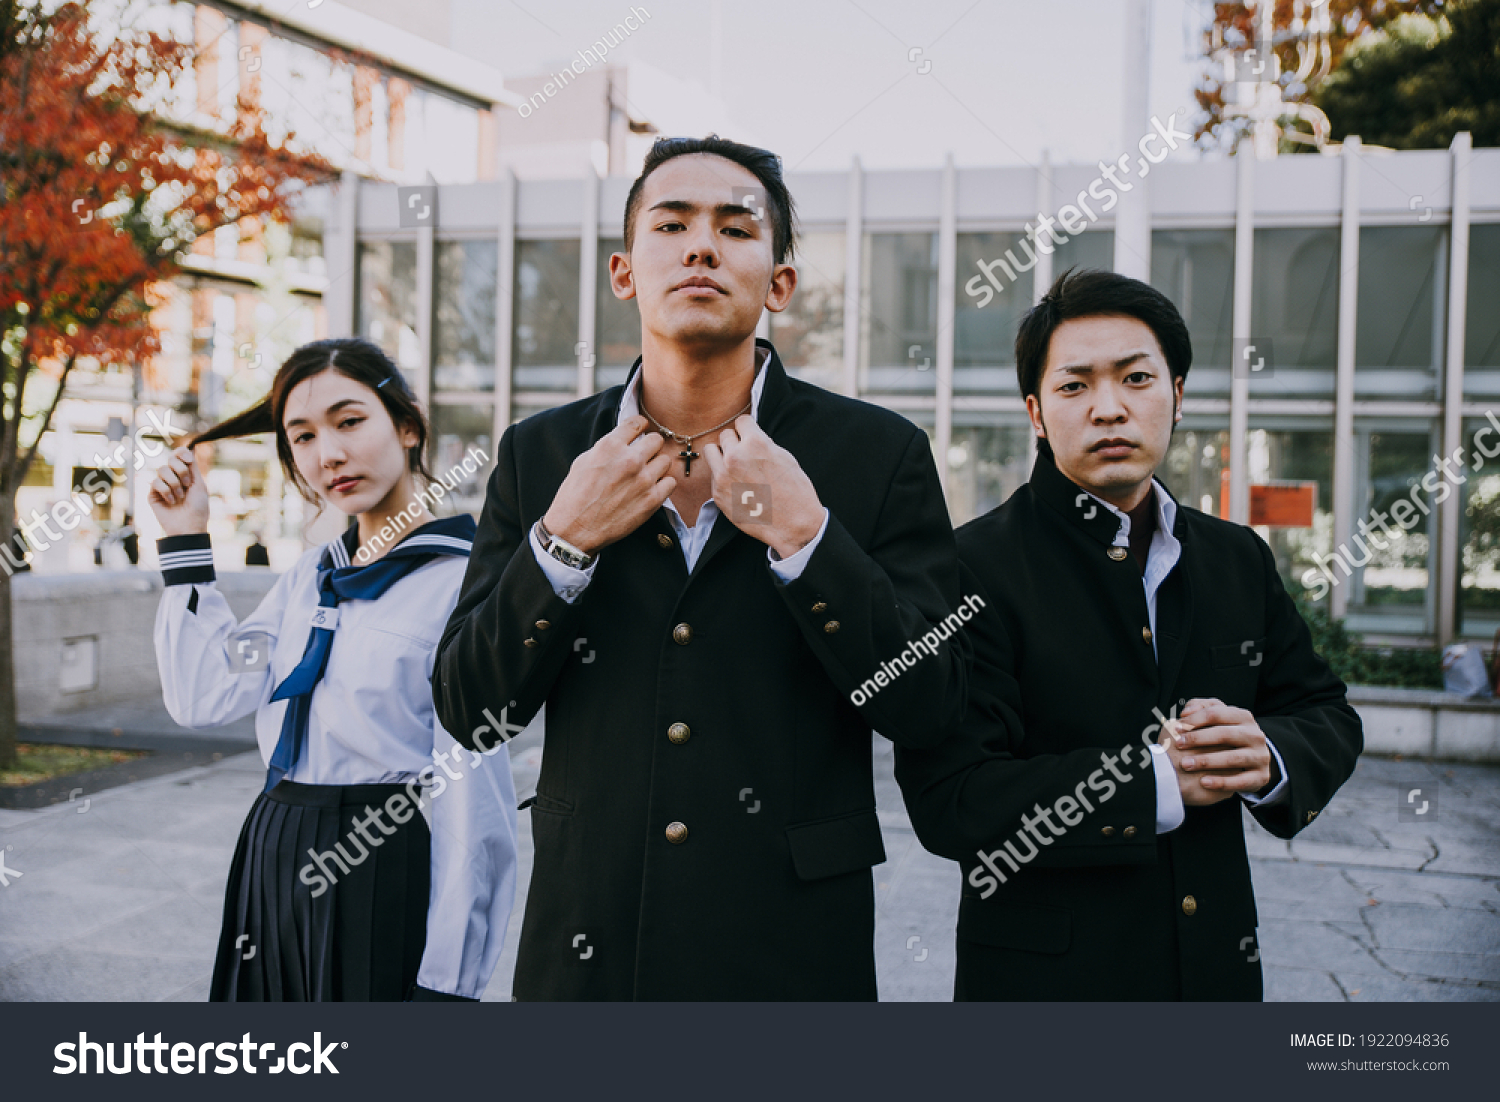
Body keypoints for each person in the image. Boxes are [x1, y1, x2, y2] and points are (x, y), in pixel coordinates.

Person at [433, 135, 970, 1000]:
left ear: (780, 283)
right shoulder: (542, 455)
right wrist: (563, 539)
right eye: (671, 223)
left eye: (735, 227)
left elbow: (932, 703)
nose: (700, 246)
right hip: (590, 940)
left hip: (793, 951)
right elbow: (471, 710)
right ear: (624, 272)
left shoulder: (879, 456)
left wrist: (808, 539)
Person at [896, 268, 1363, 1001]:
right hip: (1043, 990)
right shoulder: (966, 566)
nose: (1109, 408)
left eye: (1136, 379)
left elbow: (1324, 711)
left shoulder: (1236, 555)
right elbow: (951, 798)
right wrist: (1154, 782)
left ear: (1177, 396)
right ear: (1036, 413)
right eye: (1075, 386)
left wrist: (1268, 754)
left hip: (1214, 972)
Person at [149, 337, 517, 1001]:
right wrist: (184, 541)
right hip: (272, 847)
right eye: (303, 437)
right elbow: (204, 696)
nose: (329, 455)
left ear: (407, 425)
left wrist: (450, 983)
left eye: (350, 422)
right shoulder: (310, 577)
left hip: (379, 859)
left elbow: (475, 799)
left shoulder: (464, 584)